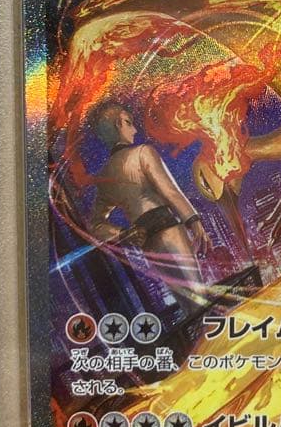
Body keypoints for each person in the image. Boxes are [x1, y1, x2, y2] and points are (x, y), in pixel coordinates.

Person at [88, 102, 210, 314]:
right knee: (199, 299)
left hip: (147, 243)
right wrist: (193, 220)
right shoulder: (144, 152)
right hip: (169, 229)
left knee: (187, 305)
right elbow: (170, 191)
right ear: (118, 125)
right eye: (129, 123)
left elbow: (95, 225)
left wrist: (123, 233)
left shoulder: (104, 177)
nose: (135, 130)